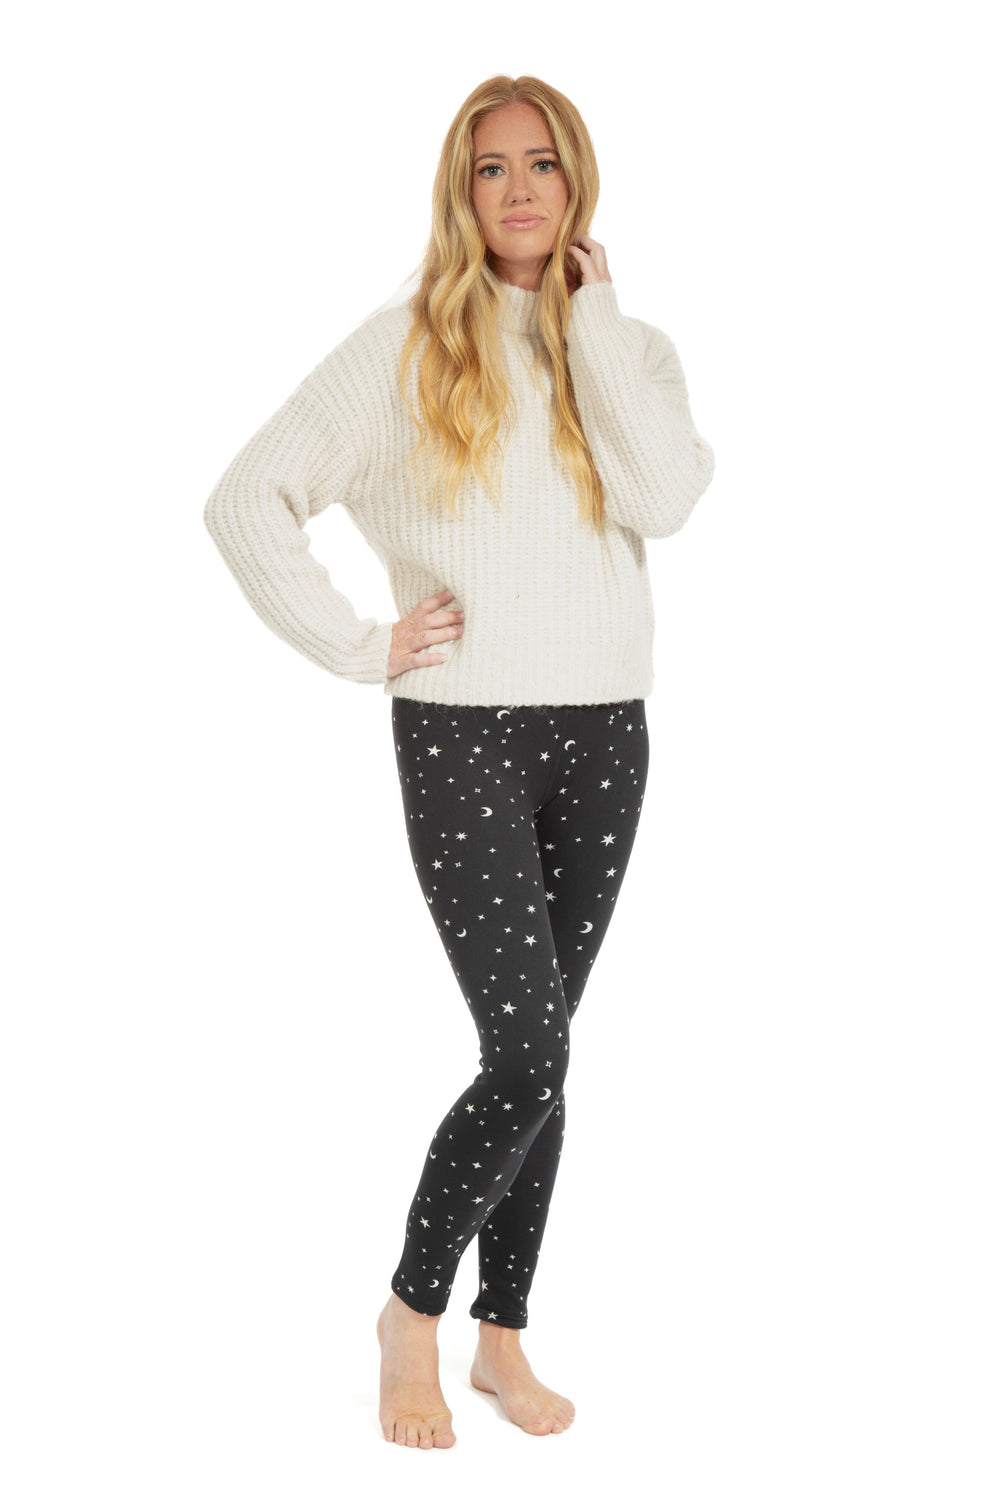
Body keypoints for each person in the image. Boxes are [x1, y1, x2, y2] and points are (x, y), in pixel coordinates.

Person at [203, 73, 714, 1450]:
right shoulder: (403, 348)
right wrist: (362, 645)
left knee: (547, 1058)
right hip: (465, 733)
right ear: (460, 191)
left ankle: (505, 1334)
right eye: (492, 168)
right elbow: (245, 497)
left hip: (607, 734)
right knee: (528, 1047)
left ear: (578, 180)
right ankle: (411, 1317)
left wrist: (590, 324)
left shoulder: (634, 349)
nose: (521, 189)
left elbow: (662, 497)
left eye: (544, 163)